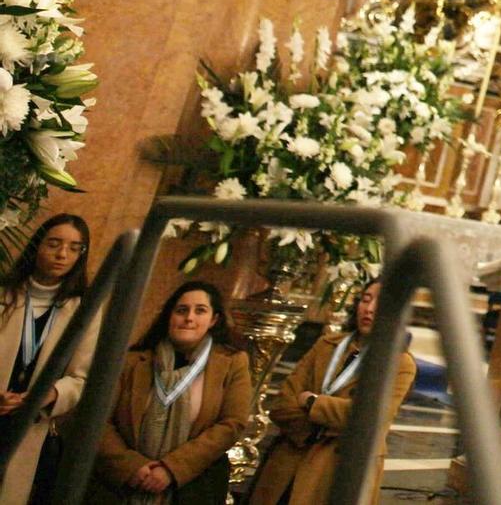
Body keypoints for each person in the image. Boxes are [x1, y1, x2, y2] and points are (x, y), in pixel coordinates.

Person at [246, 278, 414, 505]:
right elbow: (282, 404)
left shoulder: (400, 364)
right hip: (289, 460)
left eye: (381, 302)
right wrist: (324, 427)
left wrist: (312, 402)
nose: (370, 308)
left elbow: (369, 418)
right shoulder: (326, 344)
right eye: (366, 299)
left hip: (342, 470)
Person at [89, 281, 250, 504]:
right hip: (120, 486)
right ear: (169, 316)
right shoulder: (133, 361)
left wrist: (171, 469)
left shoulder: (232, 363)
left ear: (214, 320)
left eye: (200, 311)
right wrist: (131, 467)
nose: (189, 318)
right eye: (182, 310)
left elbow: (232, 423)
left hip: (191, 487)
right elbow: (98, 419)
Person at [1, 213, 98, 505]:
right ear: (36, 246)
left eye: (73, 248)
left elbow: (82, 379)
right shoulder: (6, 294)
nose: (62, 254)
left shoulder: (84, 310)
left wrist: (46, 395)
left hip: (32, 423)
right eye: (54, 244)